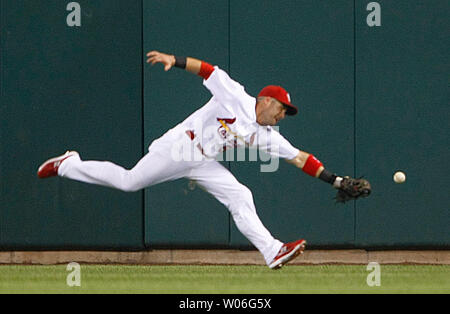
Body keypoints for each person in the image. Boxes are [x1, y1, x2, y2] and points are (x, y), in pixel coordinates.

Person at [37, 51, 368, 269]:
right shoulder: (236, 96)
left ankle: (273, 251)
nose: (283, 115)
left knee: (241, 195)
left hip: (203, 161)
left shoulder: (268, 135)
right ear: (265, 101)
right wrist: (174, 60)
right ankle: (69, 164)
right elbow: (208, 70)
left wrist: (337, 181)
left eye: (286, 112)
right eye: (281, 109)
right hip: (179, 147)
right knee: (129, 182)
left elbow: (300, 158)